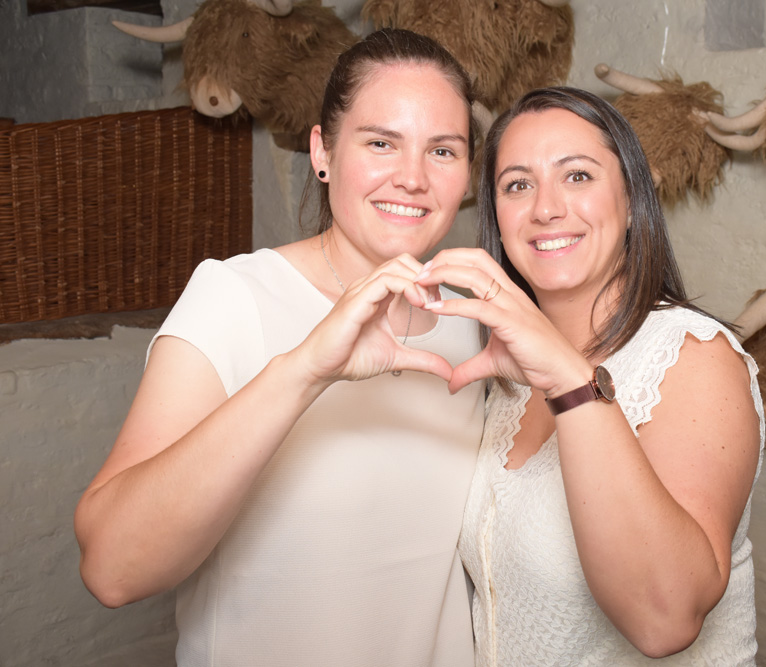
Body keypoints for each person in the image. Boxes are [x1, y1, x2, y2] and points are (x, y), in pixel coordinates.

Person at [74, 29, 485, 666]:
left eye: (442, 150)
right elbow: (113, 568)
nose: (412, 177)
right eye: (381, 142)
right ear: (323, 151)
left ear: (466, 174)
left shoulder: (470, 322)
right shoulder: (233, 296)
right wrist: (303, 372)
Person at [415, 87, 766, 665]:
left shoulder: (695, 355)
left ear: (630, 200)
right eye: (517, 184)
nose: (546, 208)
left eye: (576, 176)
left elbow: (666, 620)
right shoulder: (503, 375)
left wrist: (568, 381)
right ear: (497, 219)